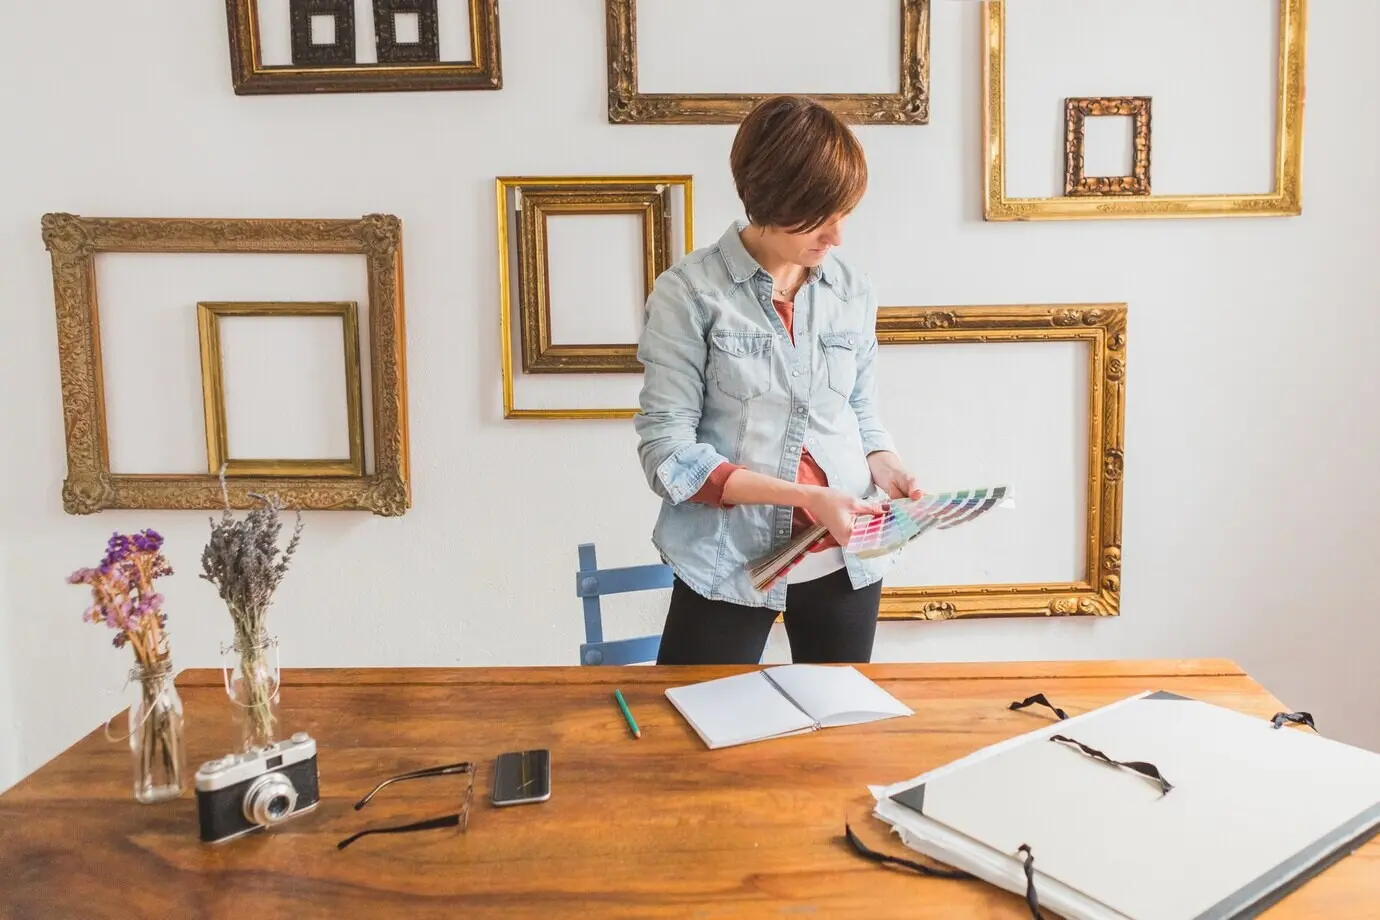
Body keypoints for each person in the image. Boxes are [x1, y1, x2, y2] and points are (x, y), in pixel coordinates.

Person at [633, 94, 922, 667]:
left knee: (837, 735)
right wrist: (807, 497)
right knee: (693, 732)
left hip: (845, 554)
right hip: (726, 561)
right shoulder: (689, 294)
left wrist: (885, 463)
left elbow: (859, 409)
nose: (836, 236)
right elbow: (668, 454)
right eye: (819, 216)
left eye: (844, 212)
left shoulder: (851, 289)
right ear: (768, 198)